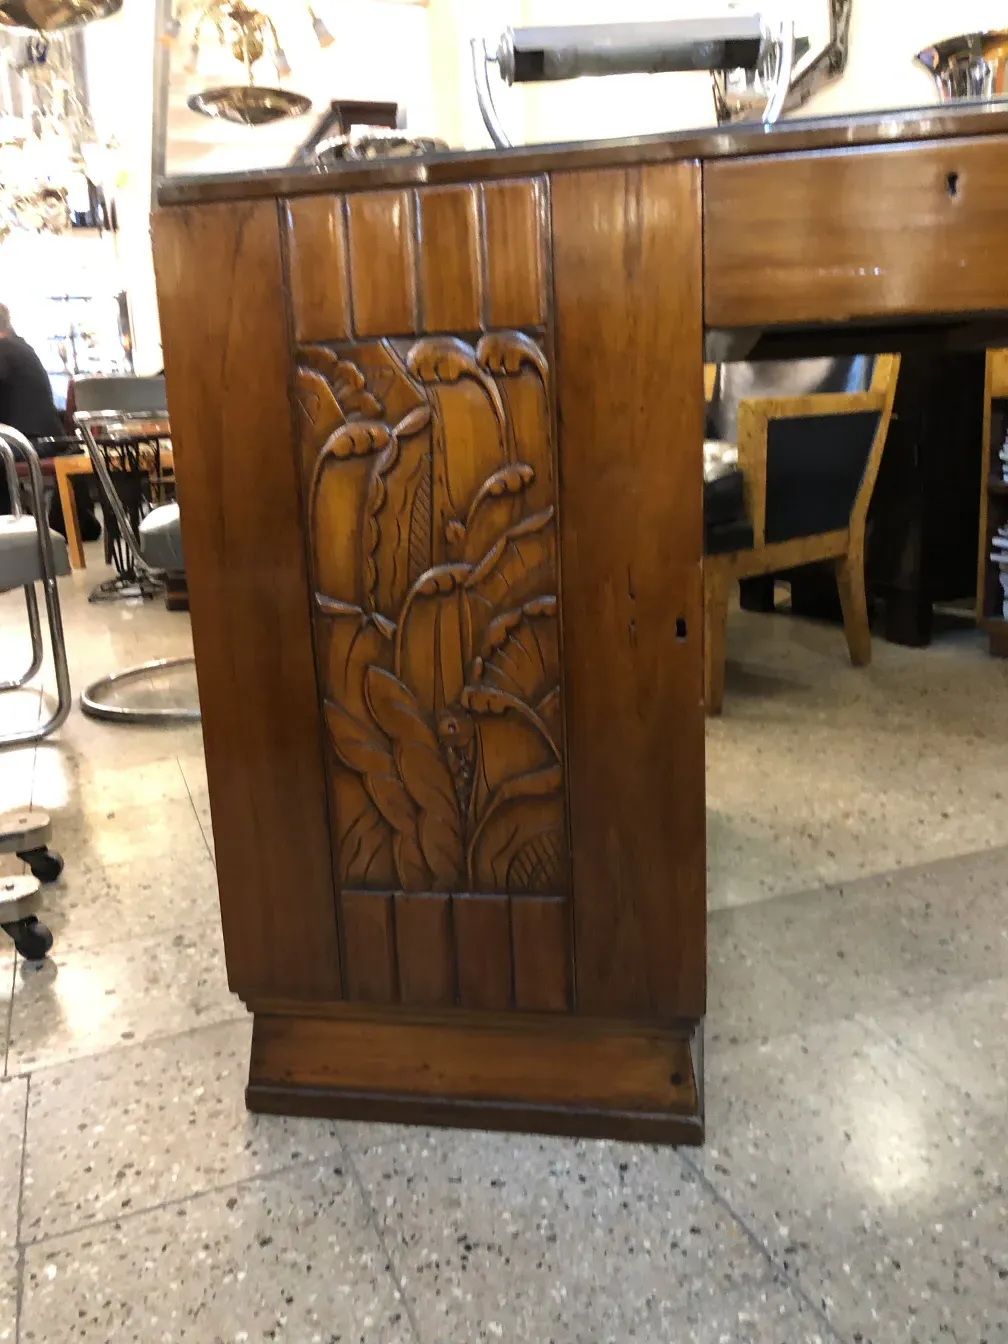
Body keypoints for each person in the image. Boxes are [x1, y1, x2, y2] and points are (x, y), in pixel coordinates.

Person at [0, 303, 100, 539]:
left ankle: (8, 534)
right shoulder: (19, 347)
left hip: (34, 442)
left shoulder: (5, 350)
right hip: (45, 438)